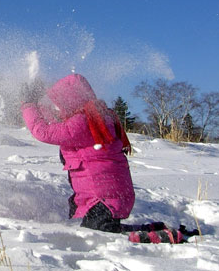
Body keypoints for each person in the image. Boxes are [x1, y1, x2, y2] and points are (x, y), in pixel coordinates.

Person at [20, 74, 199, 243]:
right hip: (107, 193)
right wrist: (35, 104)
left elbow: (44, 131)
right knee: (101, 228)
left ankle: (166, 237)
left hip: (103, 197)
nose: (57, 107)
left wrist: (28, 106)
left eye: (59, 102)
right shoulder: (95, 116)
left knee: (102, 234)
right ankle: (154, 228)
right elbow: (57, 120)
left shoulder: (83, 122)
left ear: (69, 100)